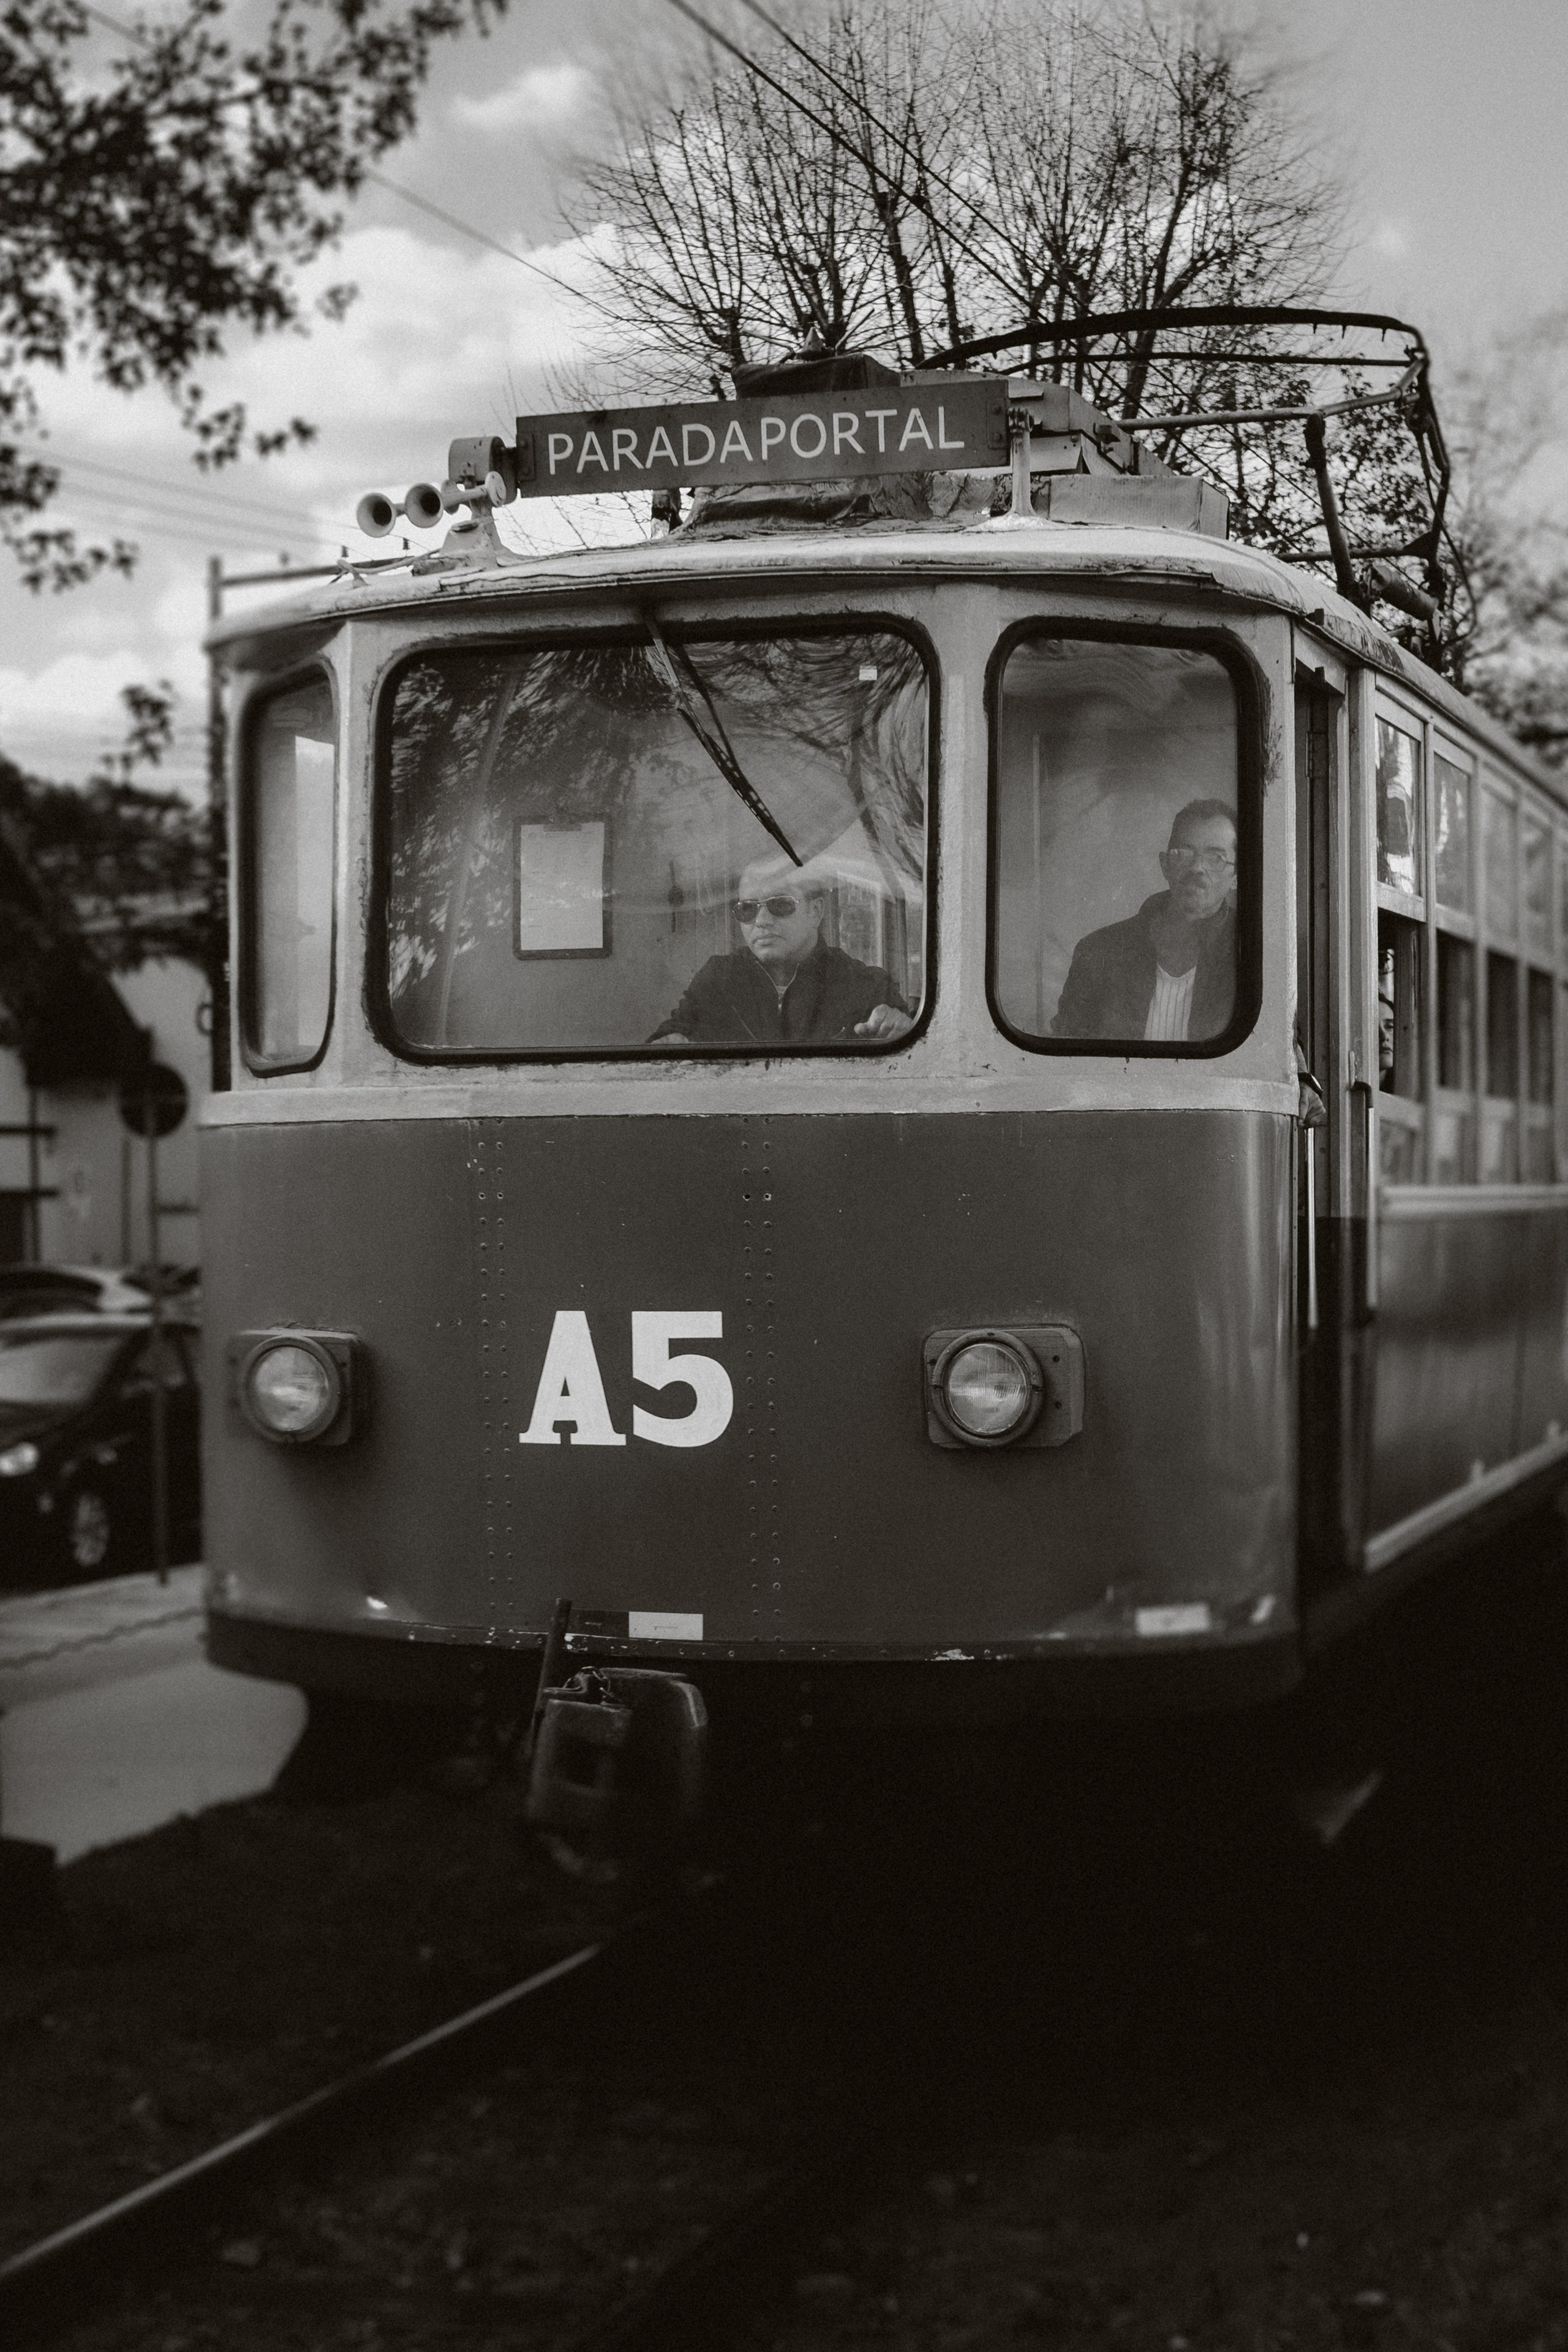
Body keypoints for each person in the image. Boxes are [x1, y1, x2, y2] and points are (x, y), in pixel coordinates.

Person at [652, 859, 914, 1045]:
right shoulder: (718, 979)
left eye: (780, 904)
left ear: (816, 912)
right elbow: (673, 1036)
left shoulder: (865, 985)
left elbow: (912, 1053)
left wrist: (901, 1031)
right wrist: (667, 1043)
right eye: (747, 909)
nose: (762, 921)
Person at [1052, 800, 1237, 1042]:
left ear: (1236, 876)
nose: (1197, 868)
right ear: (1165, 865)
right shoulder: (1099, 951)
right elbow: (1067, 1055)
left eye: (1216, 858)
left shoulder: (1253, 957)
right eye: (1184, 854)